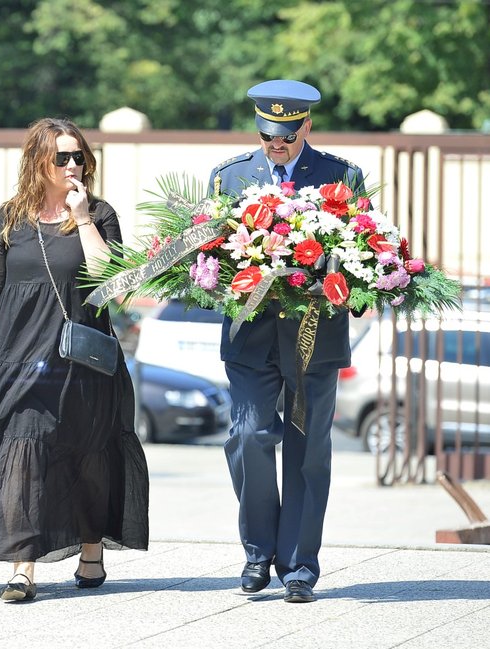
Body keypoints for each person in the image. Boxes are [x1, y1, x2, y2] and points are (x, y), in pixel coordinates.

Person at [0, 117, 150, 602]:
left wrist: (85, 219)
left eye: (80, 156)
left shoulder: (100, 212)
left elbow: (110, 283)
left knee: (87, 454)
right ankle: (23, 565)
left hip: (82, 361)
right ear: (39, 161)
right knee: (22, 451)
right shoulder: (13, 216)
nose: (74, 164)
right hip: (19, 358)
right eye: (63, 157)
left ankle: (91, 548)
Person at [207, 79, 366, 604]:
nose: (276, 146)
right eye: (267, 135)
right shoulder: (230, 179)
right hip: (251, 340)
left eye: (286, 136)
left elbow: (364, 253)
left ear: (307, 126)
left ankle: (298, 567)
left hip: (314, 338)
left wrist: (348, 287)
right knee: (248, 437)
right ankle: (257, 551)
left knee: (307, 453)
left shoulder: (341, 177)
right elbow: (208, 261)